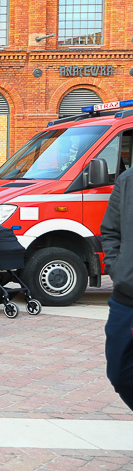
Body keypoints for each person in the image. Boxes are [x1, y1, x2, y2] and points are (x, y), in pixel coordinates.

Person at [102, 166, 133, 411]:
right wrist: (117, 268)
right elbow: (111, 231)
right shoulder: (128, 179)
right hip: (127, 294)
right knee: (120, 372)